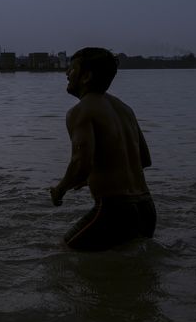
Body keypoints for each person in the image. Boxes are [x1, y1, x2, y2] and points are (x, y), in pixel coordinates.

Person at [48, 47, 156, 251]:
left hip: (114, 210)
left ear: (86, 76)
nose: (66, 74)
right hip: (146, 208)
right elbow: (144, 159)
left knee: (62, 256)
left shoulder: (81, 111)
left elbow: (81, 163)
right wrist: (91, 178)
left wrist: (59, 190)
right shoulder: (125, 109)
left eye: (71, 69)